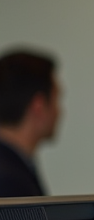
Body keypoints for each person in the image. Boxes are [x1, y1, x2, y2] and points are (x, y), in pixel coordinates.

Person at [0, 50, 61, 198]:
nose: (59, 111)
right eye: (55, 100)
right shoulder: (10, 181)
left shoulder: (16, 167)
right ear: (38, 107)